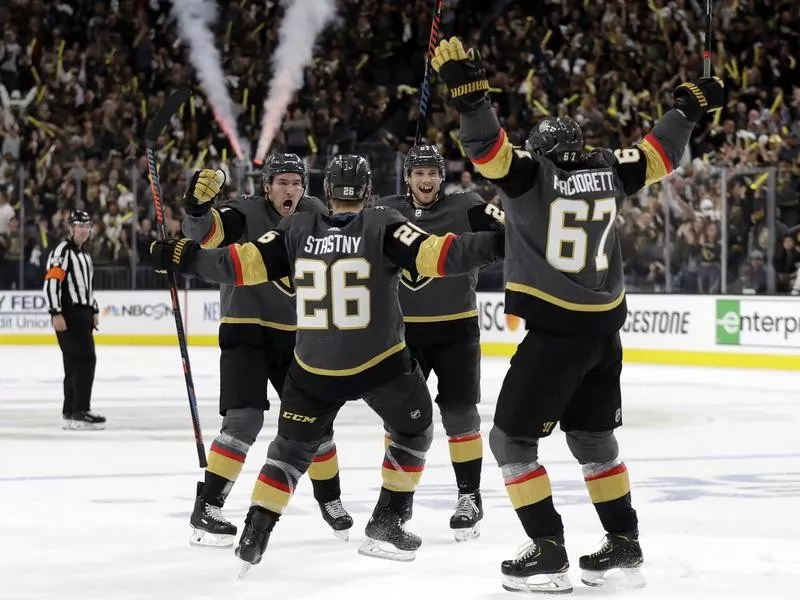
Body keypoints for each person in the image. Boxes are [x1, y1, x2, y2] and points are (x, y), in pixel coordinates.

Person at [432, 36, 723, 592]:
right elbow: (659, 153)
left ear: (540, 153)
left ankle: (547, 550)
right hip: (603, 335)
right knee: (593, 442)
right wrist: (687, 110)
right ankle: (625, 541)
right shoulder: (610, 169)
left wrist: (471, 99)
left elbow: (488, 150)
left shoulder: (531, 174)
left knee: (510, 443)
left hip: (555, 335)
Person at [150, 154, 503, 570]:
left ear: (324, 192)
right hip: (379, 362)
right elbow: (440, 257)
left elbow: (238, 265)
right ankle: (388, 520)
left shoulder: (298, 228)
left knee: (289, 450)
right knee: (415, 427)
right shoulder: (383, 223)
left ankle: (256, 531)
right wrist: (502, 242)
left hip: (313, 367)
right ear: (368, 193)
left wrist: (183, 256)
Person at [180, 153, 353, 547]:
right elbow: (206, 235)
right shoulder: (245, 211)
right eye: (281, 183)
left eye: (295, 183)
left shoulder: (315, 212)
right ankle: (208, 505)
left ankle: (332, 500)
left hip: (297, 335)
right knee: (244, 421)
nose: (289, 190)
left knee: (315, 424)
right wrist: (195, 208)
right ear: (267, 186)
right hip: (246, 329)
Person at [375, 144, 504, 541]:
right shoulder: (383, 210)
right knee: (400, 422)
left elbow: (505, 230)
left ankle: (470, 498)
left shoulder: (466, 205)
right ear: (408, 177)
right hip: (401, 334)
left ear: (440, 177)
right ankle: (397, 502)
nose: (426, 180)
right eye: (419, 173)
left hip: (456, 332)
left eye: (432, 173)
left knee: (460, 417)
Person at [43, 210, 105, 430]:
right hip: (69, 313)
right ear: (70, 228)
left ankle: (71, 411)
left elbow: (88, 288)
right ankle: (80, 410)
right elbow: (51, 283)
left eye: (87, 226)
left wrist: (94, 310)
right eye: (80, 225)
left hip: (83, 314)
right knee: (85, 360)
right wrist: (55, 312)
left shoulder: (84, 254)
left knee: (74, 363)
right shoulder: (63, 251)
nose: (85, 230)